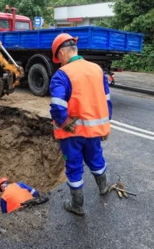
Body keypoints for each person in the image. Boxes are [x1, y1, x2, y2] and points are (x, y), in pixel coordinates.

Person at [49, 33, 112, 216]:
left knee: (74, 166)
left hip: (72, 133)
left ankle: (77, 204)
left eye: (58, 58)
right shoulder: (97, 70)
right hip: (93, 131)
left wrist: (64, 121)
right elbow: (106, 100)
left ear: (62, 53)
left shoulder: (62, 74)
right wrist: (105, 126)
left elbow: (57, 105)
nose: (59, 62)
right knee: (96, 158)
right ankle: (104, 186)